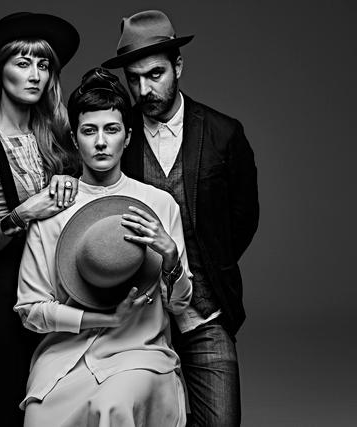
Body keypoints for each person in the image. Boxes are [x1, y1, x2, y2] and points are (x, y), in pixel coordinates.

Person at [102, 10, 260, 427]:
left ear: (178, 66)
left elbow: (244, 218)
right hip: (136, 319)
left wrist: (206, 263)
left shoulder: (224, 133)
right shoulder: (116, 134)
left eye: (155, 74)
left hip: (204, 314)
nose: (144, 89)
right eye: (134, 79)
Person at [14, 68, 193, 426]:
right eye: (89, 131)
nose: (100, 142)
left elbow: (179, 305)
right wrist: (104, 319)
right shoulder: (53, 209)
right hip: (66, 356)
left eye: (111, 130)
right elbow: (31, 309)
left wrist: (170, 255)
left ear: (128, 137)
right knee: (39, 415)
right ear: (74, 138)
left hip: (139, 351)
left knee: (114, 405)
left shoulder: (159, 204)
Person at [0, 12, 81, 427]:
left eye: (43, 65)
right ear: (0, 72)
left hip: (68, 289)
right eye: (23, 63)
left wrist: (73, 177)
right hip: (10, 296)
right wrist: (21, 215)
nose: (35, 75)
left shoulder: (62, 134)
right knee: (6, 408)